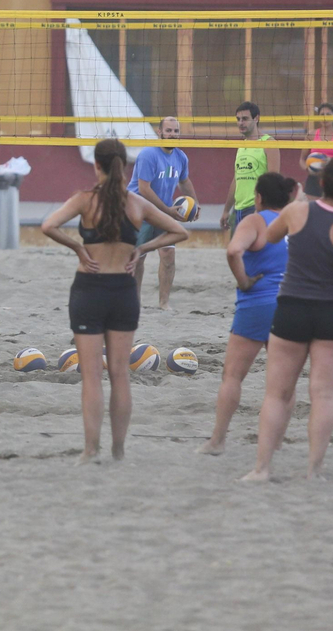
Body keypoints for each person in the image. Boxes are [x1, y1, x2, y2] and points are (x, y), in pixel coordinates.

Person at [41, 138, 188, 463]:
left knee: (92, 375)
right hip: (123, 291)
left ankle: (91, 449)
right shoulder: (136, 204)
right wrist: (142, 249)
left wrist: (79, 248)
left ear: (96, 165)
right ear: (125, 166)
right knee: (120, 374)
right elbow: (180, 232)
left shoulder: (84, 200)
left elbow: (48, 226)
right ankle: (118, 450)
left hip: (89, 289)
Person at [243, 157, 333, 482]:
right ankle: (314, 471)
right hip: (332, 314)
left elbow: (270, 237)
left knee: (276, 394)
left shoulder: (296, 212)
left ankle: (261, 469)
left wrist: (298, 199)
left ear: (320, 183)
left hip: (293, 309)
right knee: (323, 395)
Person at [199, 171, 296, 455]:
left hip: (257, 304)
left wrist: (243, 281)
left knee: (232, 376)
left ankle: (217, 441)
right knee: (284, 384)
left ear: (258, 197)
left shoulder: (255, 220)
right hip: (289, 305)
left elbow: (233, 251)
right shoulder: (295, 223)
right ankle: (276, 443)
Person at [129, 116, 197, 309]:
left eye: (176, 131)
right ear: (159, 132)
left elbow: (184, 181)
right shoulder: (148, 155)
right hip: (139, 211)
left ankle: (164, 304)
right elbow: (144, 189)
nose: (172, 134)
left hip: (162, 212)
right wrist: (167, 210)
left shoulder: (181, 157)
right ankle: (135, 303)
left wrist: (196, 203)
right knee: (137, 257)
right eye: (168, 131)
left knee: (168, 255)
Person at [222, 101, 279, 231]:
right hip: (238, 209)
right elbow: (237, 179)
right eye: (238, 119)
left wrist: (261, 209)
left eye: (245, 119)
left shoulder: (269, 143)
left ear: (256, 118)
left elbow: (273, 181)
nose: (241, 123)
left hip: (256, 208)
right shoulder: (242, 146)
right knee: (237, 250)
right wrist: (226, 210)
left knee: (254, 249)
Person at [298, 103, 333, 200]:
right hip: (314, 179)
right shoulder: (311, 135)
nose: (325, 117)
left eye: (328, 114)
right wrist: (308, 168)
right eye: (322, 114)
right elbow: (302, 159)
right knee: (313, 210)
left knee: (331, 211)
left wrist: (329, 162)